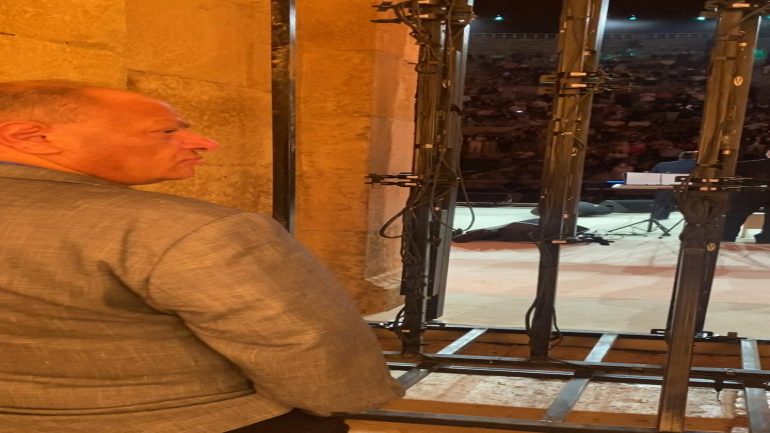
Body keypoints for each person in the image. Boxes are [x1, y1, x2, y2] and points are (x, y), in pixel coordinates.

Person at [0, 80, 404, 433]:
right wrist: (338, 404)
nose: (205, 143)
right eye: (167, 131)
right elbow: (317, 361)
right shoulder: (188, 229)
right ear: (31, 137)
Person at [721, 152, 770, 243]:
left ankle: (724, 240)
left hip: (757, 186)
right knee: (734, 215)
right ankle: (724, 239)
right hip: (757, 185)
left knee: (734, 216)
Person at [649, 150, 698, 220]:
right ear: (695, 158)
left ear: (680, 157)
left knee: (664, 189)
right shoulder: (697, 166)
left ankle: (659, 215)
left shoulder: (661, 165)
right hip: (689, 191)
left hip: (666, 190)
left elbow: (651, 177)